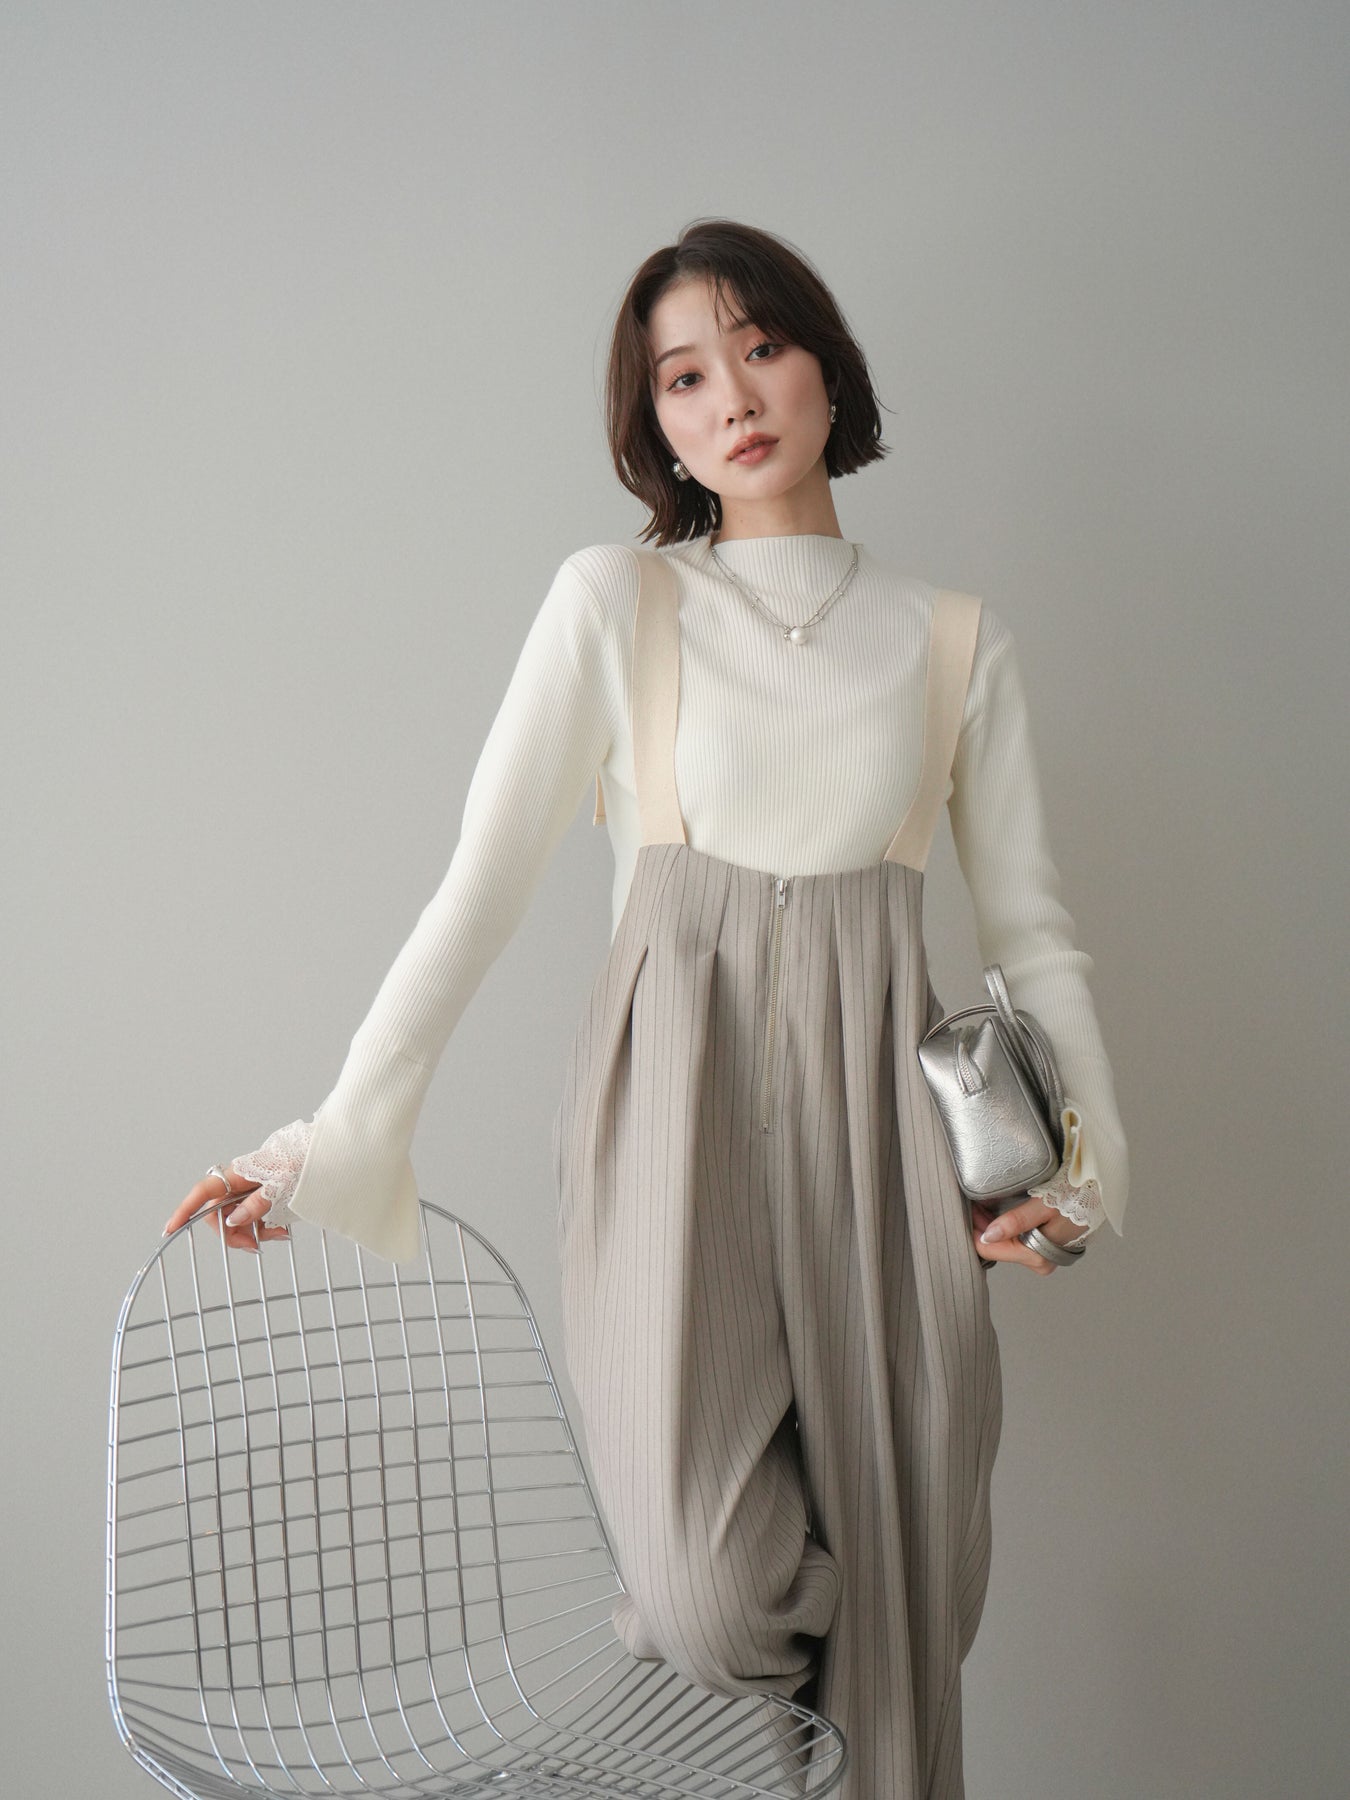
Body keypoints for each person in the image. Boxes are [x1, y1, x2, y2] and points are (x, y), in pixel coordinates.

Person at [164, 218, 1127, 1798]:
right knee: (706, 1592)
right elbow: (477, 889)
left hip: (889, 1149)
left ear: (826, 369)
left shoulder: (953, 639)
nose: (730, 398)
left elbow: (1035, 937)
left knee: (913, 1615)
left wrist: (1081, 1184)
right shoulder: (618, 601)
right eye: (683, 376)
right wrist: (326, 1140)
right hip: (671, 1121)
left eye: (760, 348)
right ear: (653, 422)